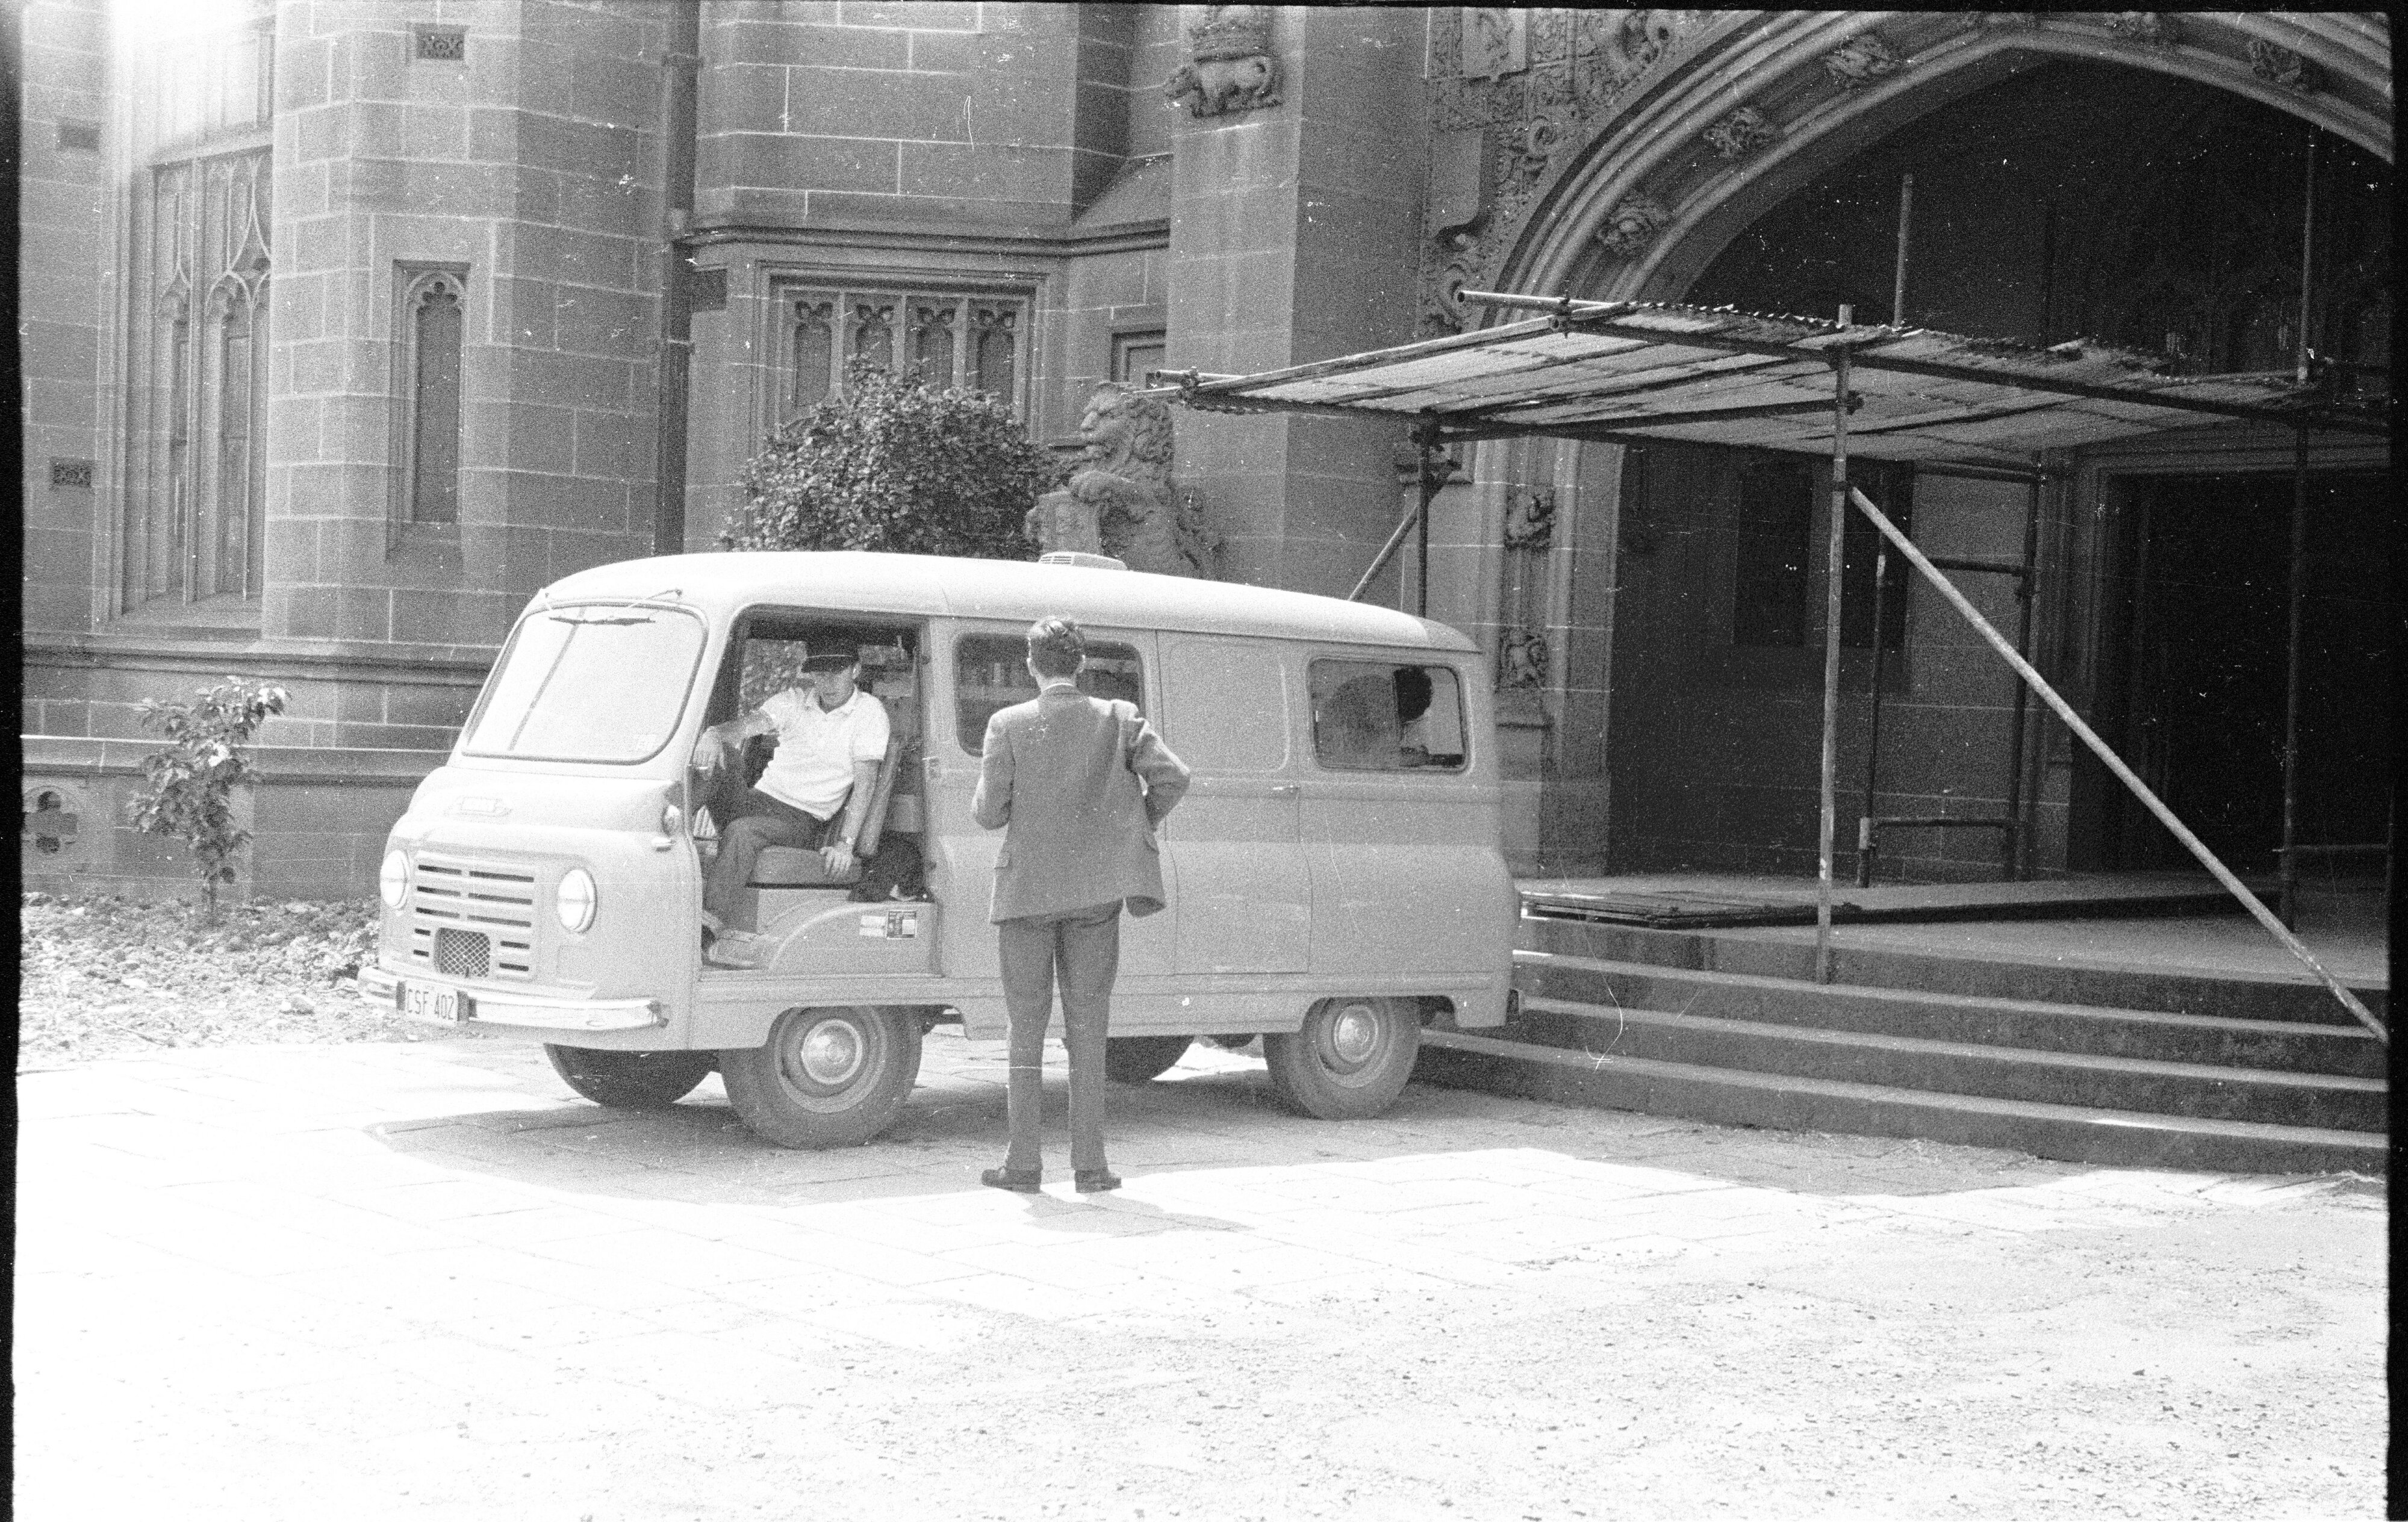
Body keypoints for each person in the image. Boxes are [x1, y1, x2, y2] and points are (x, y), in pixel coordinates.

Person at [972, 616, 1190, 1194]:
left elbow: (988, 813)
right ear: (1081, 663)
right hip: (1095, 896)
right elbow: (1173, 777)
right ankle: (1090, 1167)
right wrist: (1131, 824)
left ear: (1031, 665)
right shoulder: (1118, 718)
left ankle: (1022, 1166)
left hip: (1025, 896)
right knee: (1089, 1027)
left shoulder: (1007, 724)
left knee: (1026, 1026)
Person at [693, 645, 890, 969]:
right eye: (820, 672)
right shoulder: (795, 700)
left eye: (837, 671)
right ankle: (664, 831)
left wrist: (845, 843)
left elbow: (866, 784)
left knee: (742, 831)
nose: (827, 681)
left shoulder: (869, 712)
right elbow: (746, 726)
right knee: (722, 755)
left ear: (854, 671)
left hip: (802, 818)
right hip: (758, 801)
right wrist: (714, 734)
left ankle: (704, 930)